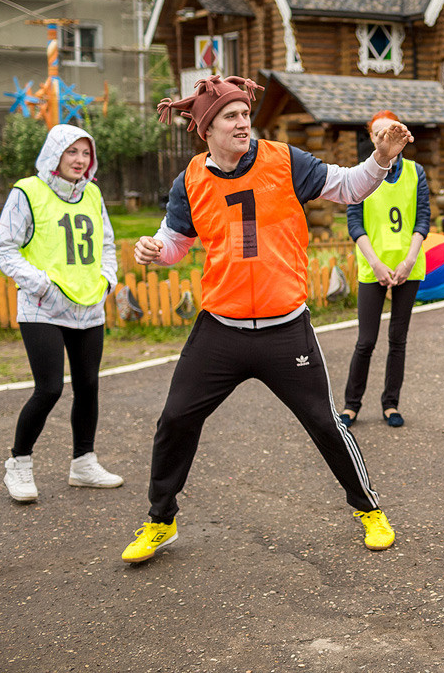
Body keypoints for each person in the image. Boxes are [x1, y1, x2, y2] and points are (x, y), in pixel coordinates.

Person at [120, 75, 411, 563]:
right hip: (221, 329)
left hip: (284, 328)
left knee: (324, 421)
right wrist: (153, 249)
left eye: (244, 114)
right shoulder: (191, 178)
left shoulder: (283, 160)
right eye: (231, 117)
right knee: (175, 419)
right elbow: (175, 242)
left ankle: (368, 510)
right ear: (206, 129)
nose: (243, 122)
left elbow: (348, 186)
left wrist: (382, 158)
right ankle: (160, 520)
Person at [0, 124, 123, 502]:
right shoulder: (27, 192)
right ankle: (18, 464)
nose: (80, 161)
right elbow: (3, 249)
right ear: (55, 155)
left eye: (86, 153)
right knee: (48, 389)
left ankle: (84, 463)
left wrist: (107, 280)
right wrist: (41, 284)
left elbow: (108, 242)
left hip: (88, 305)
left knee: (88, 386)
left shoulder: (93, 193)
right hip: (42, 306)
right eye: (72, 152)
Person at [340, 109, 430, 429]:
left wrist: (408, 261)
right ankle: (352, 405)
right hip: (372, 267)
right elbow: (354, 224)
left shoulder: (416, 172)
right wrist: (376, 264)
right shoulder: (360, 175)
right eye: (377, 133)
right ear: (372, 138)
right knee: (366, 341)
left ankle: (391, 404)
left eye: (388, 132)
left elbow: (422, 220)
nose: (383, 137)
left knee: (398, 338)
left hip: (408, 265)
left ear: (399, 134)